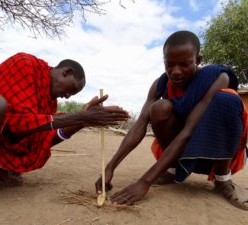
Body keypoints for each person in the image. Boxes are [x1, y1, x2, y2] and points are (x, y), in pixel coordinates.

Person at [95, 30, 248, 210]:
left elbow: (189, 130)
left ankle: (223, 179)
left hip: (213, 150)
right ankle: (172, 170)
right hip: (177, 152)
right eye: (170, 64)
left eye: (184, 64)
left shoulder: (217, 77)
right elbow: (140, 124)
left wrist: (144, 182)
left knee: (227, 99)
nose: (175, 71)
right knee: (159, 108)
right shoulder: (160, 84)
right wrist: (110, 167)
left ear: (198, 60)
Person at [0, 52, 129, 202]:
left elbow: (44, 138)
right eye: (70, 90)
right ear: (66, 71)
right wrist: (79, 116)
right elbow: (16, 124)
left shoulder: (48, 102)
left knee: (38, 128)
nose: (67, 96)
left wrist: (81, 121)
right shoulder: (24, 63)